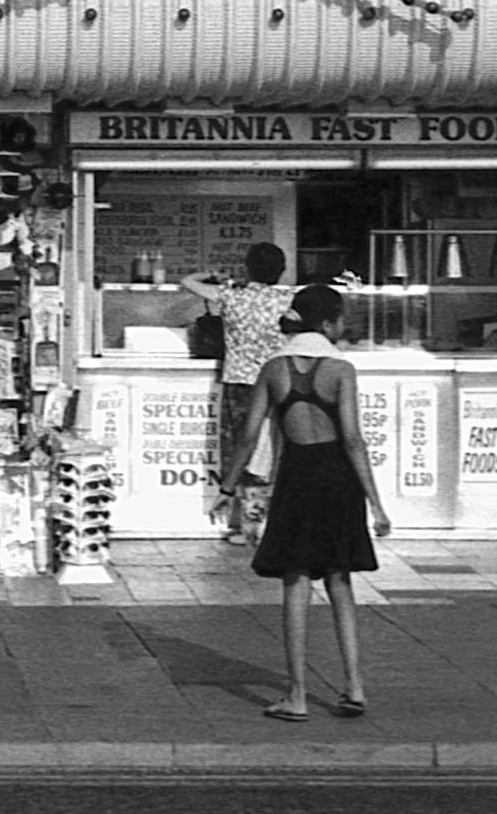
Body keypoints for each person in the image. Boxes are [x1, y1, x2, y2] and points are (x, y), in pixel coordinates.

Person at [217, 282, 391, 722]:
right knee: (340, 581)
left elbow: (250, 434)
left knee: (295, 582)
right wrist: (376, 503)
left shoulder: (274, 369)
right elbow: (353, 440)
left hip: (297, 477)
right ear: (330, 323)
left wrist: (227, 486)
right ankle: (353, 687)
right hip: (338, 479)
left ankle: (295, 694)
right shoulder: (341, 371)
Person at [185, 242, 296, 543]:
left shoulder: (232, 296)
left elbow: (187, 283)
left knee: (241, 451)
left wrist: (213, 274)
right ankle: (275, 522)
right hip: (279, 382)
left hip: (239, 383)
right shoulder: (290, 298)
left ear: (248, 268)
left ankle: (245, 526)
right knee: (273, 451)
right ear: (282, 270)